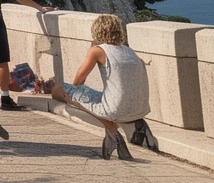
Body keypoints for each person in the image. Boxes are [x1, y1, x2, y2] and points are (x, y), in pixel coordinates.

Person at [44, 14, 153, 159]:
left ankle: (111, 129)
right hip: (141, 109)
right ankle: (135, 127)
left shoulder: (97, 50)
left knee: (61, 90)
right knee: (99, 95)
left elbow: (78, 81)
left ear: (96, 31)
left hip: (116, 109)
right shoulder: (130, 52)